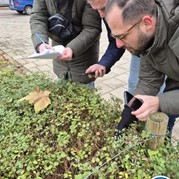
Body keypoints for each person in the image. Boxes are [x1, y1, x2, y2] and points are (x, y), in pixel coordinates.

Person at [105, 0, 179, 131]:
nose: (118, 45)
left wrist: (159, 102)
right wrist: (130, 109)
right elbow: (149, 81)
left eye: (121, 36)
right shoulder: (147, 38)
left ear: (147, 23)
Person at [30, 0, 101, 86]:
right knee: (61, 87)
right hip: (59, 60)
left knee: (85, 91)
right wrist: (40, 43)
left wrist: (73, 49)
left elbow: (92, 28)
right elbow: (38, 17)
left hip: (83, 59)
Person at [86, 0, 140, 94]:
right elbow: (115, 43)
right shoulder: (110, 11)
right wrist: (103, 64)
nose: (101, 15)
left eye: (104, 8)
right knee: (134, 89)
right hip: (140, 53)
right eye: (97, 10)